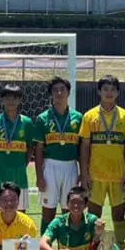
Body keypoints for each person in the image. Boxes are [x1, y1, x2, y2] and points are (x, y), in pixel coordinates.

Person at [79, 75, 125, 246]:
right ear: (99, 91)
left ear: (118, 92)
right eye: (105, 89)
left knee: (118, 217)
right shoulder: (90, 116)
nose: (109, 93)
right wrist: (84, 174)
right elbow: (85, 147)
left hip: (118, 176)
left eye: (112, 89)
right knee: (93, 218)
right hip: (95, 176)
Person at [34, 77, 83, 235]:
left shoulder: (78, 118)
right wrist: (39, 176)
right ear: (51, 94)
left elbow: (82, 149)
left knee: (70, 210)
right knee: (48, 211)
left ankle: (68, 249)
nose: (59, 93)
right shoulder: (43, 118)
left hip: (71, 166)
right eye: (55, 90)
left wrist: (83, 172)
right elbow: (39, 150)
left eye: (62, 89)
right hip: (50, 166)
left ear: (69, 92)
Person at [0, 84, 35, 211]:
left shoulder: (27, 123)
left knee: (20, 211)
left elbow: (30, 148)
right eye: (7, 98)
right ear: (2, 100)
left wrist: (22, 164)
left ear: (20, 100)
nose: (11, 101)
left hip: (19, 174)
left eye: (15, 98)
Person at [40, 186, 104, 250]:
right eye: (72, 202)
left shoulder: (92, 220)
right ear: (67, 204)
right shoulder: (58, 222)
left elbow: (98, 247)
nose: (76, 205)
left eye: (80, 202)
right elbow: (42, 244)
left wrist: (98, 234)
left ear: (86, 205)